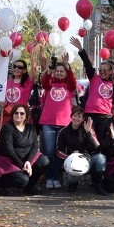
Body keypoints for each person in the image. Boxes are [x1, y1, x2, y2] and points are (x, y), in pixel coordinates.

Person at [0, 104, 46, 196]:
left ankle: (29, 186)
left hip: (25, 159)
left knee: (44, 161)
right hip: (8, 160)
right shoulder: (7, 128)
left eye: (22, 113)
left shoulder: (31, 128)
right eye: (16, 113)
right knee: (22, 179)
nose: (18, 115)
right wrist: (22, 166)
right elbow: (9, 151)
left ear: (26, 116)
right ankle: (1, 184)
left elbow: (34, 147)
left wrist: (28, 162)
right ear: (12, 115)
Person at [39, 55, 78, 189]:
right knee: (49, 152)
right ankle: (49, 177)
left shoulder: (69, 86)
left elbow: (73, 82)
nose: (59, 73)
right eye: (58, 71)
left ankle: (56, 176)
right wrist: (50, 70)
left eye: (62, 71)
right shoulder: (50, 85)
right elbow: (44, 82)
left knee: (60, 152)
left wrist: (68, 67)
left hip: (64, 123)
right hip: (48, 122)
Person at [70, 36, 114, 126]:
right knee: (91, 139)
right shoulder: (94, 78)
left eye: (105, 70)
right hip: (90, 114)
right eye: (100, 70)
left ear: (111, 71)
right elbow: (87, 64)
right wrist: (81, 49)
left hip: (106, 115)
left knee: (103, 140)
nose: (102, 72)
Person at [56, 106, 107, 194]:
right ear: (71, 116)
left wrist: (88, 133)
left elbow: (97, 147)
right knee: (72, 178)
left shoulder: (87, 129)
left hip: (87, 159)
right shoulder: (63, 131)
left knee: (101, 158)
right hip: (72, 161)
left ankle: (98, 184)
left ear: (83, 119)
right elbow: (58, 151)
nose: (77, 118)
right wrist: (70, 157)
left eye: (79, 116)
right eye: (75, 116)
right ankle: (73, 183)